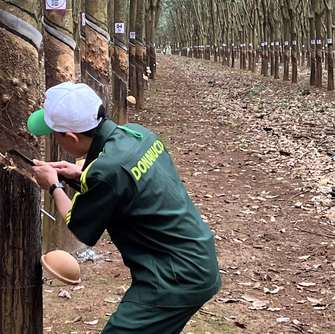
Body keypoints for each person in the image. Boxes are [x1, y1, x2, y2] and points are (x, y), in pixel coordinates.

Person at [27, 81, 221, 334]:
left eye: (55, 133)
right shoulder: (137, 134)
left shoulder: (107, 172)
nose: (55, 139)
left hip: (174, 277)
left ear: (72, 137)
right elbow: (127, 182)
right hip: (197, 258)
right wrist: (81, 174)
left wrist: (54, 186)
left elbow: (77, 225)